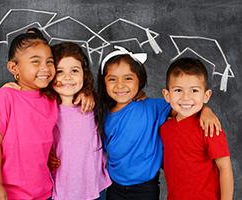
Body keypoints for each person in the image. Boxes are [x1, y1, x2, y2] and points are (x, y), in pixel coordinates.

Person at [96, 46, 222, 200]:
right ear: (104, 82)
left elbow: (184, 106)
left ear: (139, 79)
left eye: (128, 78)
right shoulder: (102, 113)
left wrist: (205, 110)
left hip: (145, 188)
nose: (120, 85)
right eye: (112, 79)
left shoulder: (153, 107)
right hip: (113, 185)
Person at [0, 28, 57, 200]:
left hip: (43, 193)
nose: (45, 68)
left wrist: (47, 154)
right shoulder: (3, 98)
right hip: (8, 193)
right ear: (14, 67)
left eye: (49, 62)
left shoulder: (51, 100)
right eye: (36, 62)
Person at [160, 57, 234, 200]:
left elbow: (225, 169)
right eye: (178, 90)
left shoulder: (210, 128)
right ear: (167, 95)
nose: (186, 97)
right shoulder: (165, 128)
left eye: (194, 90)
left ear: (206, 96)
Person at [49, 42, 111, 200]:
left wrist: (89, 93)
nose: (67, 77)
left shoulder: (92, 104)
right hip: (61, 187)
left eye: (74, 71)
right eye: (59, 71)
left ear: (84, 74)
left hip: (93, 185)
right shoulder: (45, 107)